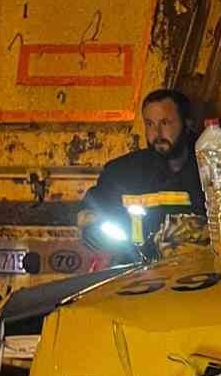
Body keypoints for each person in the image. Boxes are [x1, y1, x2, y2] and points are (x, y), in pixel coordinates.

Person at [79, 88, 206, 256]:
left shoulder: (210, 169)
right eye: (150, 124)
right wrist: (91, 227)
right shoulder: (122, 172)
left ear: (188, 124)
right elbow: (91, 209)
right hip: (139, 273)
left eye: (165, 123)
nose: (157, 133)